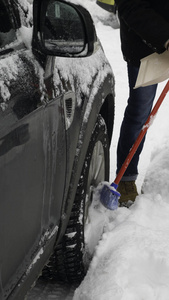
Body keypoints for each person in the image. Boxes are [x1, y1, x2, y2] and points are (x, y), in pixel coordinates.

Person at [115, 0, 169, 206]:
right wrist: (166, 37)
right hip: (146, 48)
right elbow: (131, 7)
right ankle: (125, 179)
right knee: (140, 111)